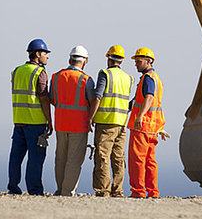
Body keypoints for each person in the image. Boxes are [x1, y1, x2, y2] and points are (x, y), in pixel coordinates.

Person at [8, 38, 53, 196]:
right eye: (45, 53)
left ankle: (13, 187)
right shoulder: (39, 73)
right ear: (38, 54)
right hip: (35, 122)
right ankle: (34, 190)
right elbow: (44, 97)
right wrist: (50, 121)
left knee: (16, 157)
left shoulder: (17, 71)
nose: (47, 56)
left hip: (19, 120)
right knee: (36, 158)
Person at [88, 45, 134, 197]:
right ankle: (118, 190)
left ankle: (103, 190)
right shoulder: (128, 78)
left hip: (106, 122)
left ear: (109, 58)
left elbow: (97, 97)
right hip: (121, 124)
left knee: (102, 156)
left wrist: (90, 117)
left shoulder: (105, 74)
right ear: (121, 60)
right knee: (118, 158)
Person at [49, 45, 95, 196]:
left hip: (61, 124)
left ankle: (60, 188)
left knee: (60, 158)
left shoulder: (56, 76)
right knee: (73, 160)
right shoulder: (86, 80)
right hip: (79, 126)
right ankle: (67, 191)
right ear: (85, 61)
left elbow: (52, 99)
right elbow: (91, 101)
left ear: (70, 59)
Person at [127, 47, 168, 199]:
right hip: (152, 128)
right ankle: (153, 192)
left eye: (139, 61)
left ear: (148, 61)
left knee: (137, 160)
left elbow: (149, 98)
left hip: (142, 127)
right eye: (136, 61)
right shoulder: (155, 77)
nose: (136, 64)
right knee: (150, 162)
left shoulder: (148, 78)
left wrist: (139, 116)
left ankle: (138, 192)